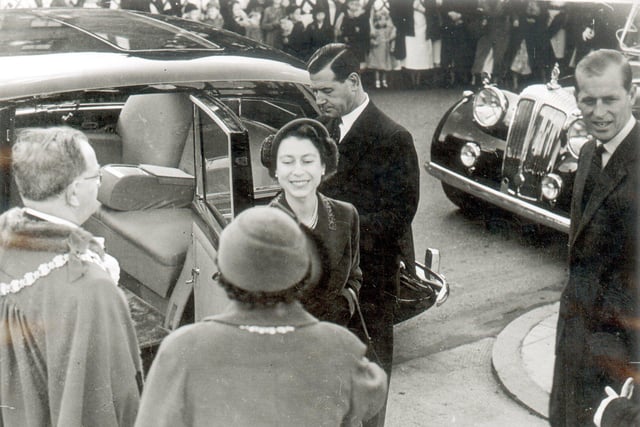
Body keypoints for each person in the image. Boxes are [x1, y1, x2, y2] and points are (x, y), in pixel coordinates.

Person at [135, 206, 387, 427]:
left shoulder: (181, 349)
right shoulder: (340, 347)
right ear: (305, 274)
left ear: (223, 272)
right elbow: (373, 395)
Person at [307, 42, 420, 427]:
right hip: (325, 288)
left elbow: (397, 217)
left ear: (353, 81)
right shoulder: (324, 129)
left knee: (368, 394)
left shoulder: (393, 137)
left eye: (326, 91)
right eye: (314, 91)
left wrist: (331, 225)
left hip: (370, 291)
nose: (318, 99)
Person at [0, 127, 142, 426]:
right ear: (74, 193)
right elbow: (113, 399)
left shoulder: (5, 236)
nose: (100, 183)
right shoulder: (89, 286)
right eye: (96, 176)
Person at [549, 49, 639, 427]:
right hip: (575, 340)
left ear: (632, 96)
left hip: (620, 355)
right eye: (588, 100)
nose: (598, 112)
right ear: (577, 99)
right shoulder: (588, 152)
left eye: (610, 100)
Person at [260, 118, 361, 326]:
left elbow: (354, 276)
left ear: (323, 166)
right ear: (276, 170)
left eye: (307, 161)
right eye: (288, 162)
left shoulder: (347, 214)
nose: (298, 171)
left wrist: (344, 304)